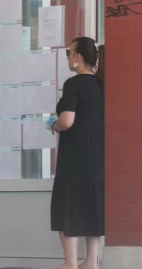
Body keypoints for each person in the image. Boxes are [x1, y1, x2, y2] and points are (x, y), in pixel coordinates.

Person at [51, 37, 105, 269]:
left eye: (69, 53)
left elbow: (67, 120)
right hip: (98, 155)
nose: (68, 57)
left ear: (78, 57)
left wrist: (55, 125)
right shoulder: (103, 84)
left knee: (68, 206)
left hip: (75, 156)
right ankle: (91, 262)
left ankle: (70, 262)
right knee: (92, 206)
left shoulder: (74, 84)